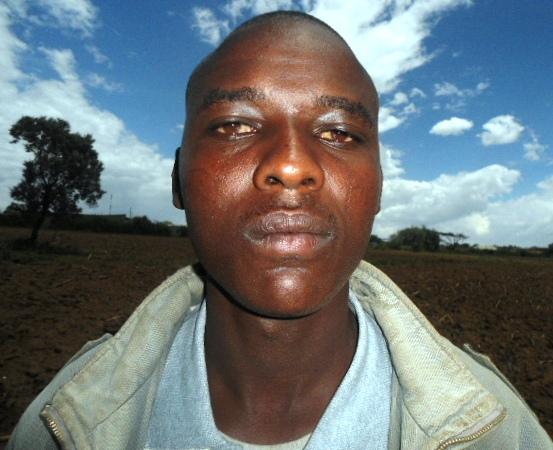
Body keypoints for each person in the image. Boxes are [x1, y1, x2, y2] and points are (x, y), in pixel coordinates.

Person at [7, 11, 551, 450]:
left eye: (339, 133)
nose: (292, 165)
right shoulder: (63, 423)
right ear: (178, 180)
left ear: (379, 188)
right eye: (235, 125)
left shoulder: (498, 432)